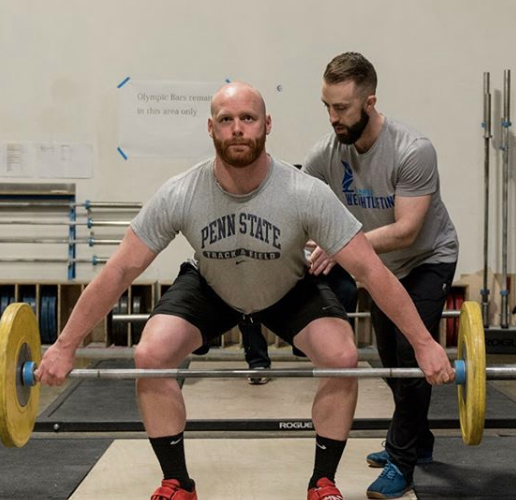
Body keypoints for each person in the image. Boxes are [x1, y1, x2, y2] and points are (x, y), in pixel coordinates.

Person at [35, 81, 455, 500]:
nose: (237, 128)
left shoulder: (305, 193)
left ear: (267, 124)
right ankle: (177, 482)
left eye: (248, 118)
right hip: (211, 286)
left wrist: (423, 344)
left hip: (289, 287)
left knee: (342, 357)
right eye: (226, 119)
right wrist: (65, 346)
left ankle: (322, 481)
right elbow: (120, 270)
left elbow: (371, 271)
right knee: (151, 355)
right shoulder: (181, 192)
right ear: (211, 128)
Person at [303, 52, 459, 499]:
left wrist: (341, 247)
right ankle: (419, 441)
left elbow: (407, 230)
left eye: (342, 108)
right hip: (379, 267)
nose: (333, 118)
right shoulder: (325, 153)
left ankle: (401, 460)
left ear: (369, 102)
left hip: (427, 259)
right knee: (389, 361)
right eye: (327, 107)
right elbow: (299, 204)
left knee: (410, 360)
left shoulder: (412, 150)